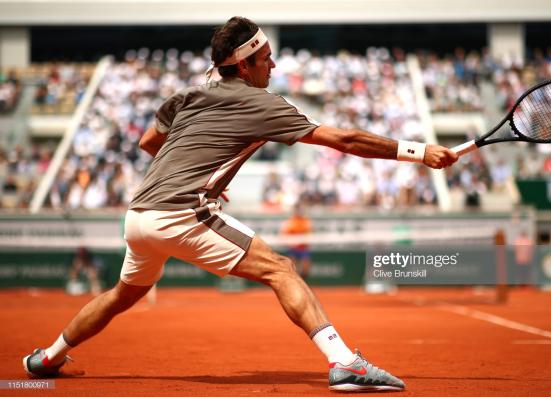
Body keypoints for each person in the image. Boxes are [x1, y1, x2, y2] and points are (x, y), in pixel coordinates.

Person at [23, 17, 457, 392]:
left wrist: (196, 172)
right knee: (281, 268)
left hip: (139, 215)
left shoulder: (189, 95)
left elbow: (149, 141)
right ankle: (344, 362)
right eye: (266, 57)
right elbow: (343, 140)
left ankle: (47, 358)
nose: (274, 63)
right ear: (244, 64)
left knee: (121, 295)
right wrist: (419, 152)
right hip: (180, 213)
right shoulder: (263, 103)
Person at [281, 203, 313, 279]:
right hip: (293, 249)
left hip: (303, 248)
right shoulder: (290, 222)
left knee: (306, 267)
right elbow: (284, 235)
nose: (298, 211)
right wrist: (290, 243)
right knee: (292, 267)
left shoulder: (306, 221)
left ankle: (303, 282)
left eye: (300, 209)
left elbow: (309, 234)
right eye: (297, 209)